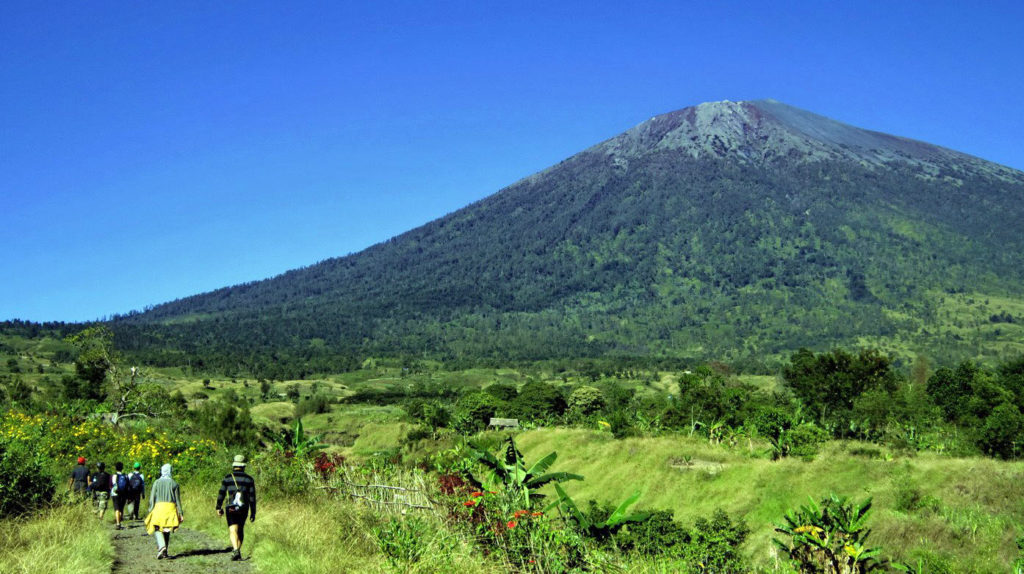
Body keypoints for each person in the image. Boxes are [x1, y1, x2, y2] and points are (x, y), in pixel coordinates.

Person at [215, 454, 256, 561]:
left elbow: (222, 493)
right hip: (243, 508)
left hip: (231, 507)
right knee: (241, 529)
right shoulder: (249, 479)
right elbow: (252, 497)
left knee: (233, 529)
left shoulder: (228, 478)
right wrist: (253, 512)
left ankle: (235, 550)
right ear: (243, 466)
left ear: (234, 465)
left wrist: (218, 507)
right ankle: (237, 550)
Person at [145, 464, 183, 560]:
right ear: (170, 471)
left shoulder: (156, 482)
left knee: (157, 527)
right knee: (167, 530)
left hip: (159, 507)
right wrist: (181, 513)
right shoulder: (174, 484)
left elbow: (152, 497)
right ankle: (165, 552)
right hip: (170, 508)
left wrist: (150, 509)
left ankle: (162, 546)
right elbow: (178, 500)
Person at [111, 462, 128, 530]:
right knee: (121, 509)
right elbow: (127, 485)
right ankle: (119, 521)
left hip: (115, 494)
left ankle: (118, 523)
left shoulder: (114, 476)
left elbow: (112, 484)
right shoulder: (125, 476)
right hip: (123, 494)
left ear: (116, 468)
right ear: (122, 468)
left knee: (116, 509)